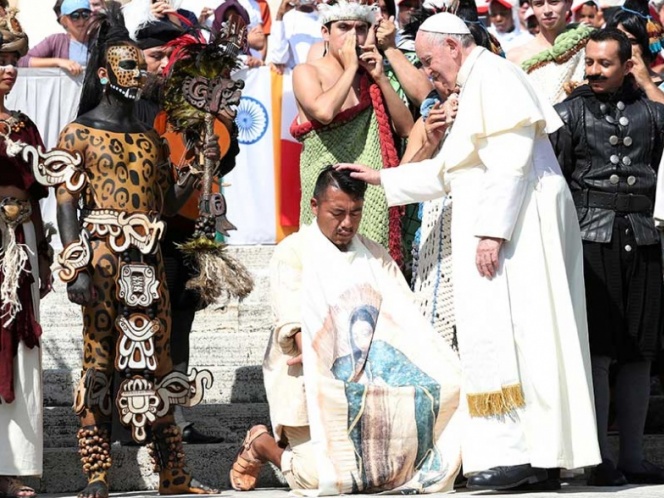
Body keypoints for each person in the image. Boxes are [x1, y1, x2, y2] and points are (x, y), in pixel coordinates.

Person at [340, 12, 601, 490]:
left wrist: (492, 233)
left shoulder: (495, 77)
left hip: (520, 229)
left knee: (524, 335)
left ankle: (526, 455)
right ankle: (531, 455)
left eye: (428, 61)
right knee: (512, 336)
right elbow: (450, 173)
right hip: (508, 225)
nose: (427, 72)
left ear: (452, 46)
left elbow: (511, 162)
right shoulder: (475, 84)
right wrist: (380, 178)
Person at [28, 5, 219, 497]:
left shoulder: (151, 139)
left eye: (139, 65)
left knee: (158, 363)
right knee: (98, 363)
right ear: (104, 73)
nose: (138, 73)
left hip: (149, 265)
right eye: (128, 65)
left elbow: (166, 203)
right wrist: (76, 267)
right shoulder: (79, 133)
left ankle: (172, 474)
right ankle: (97, 474)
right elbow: (65, 205)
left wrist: (197, 167)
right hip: (101, 260)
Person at [229, 166, 462, 494]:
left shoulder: (374, 254)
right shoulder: (293, 251)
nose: (347, 223)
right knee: (320, 477)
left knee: (433, 455)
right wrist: (315, 357)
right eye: (337, 213)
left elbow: (404, 316)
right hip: (309, 379)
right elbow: (293, 321)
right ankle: (262, 444)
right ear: (315, 206)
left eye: (356, 213)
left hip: (370, 387)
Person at [550, 28, 664, 486]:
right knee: (597, 349)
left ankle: (633, 457)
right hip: (589, 239)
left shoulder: (653, 114)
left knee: (639, 349)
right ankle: (597, 457)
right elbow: (554, 181)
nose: (593, 71)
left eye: (604, 63)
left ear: (627, 65)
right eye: (590, 62)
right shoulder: (568, 113)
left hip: (643, 238)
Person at [127, 12, 238, 445]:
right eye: (155, 56)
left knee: (181, 321)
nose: (162, 65)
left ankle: (174, 416)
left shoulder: (199, 108)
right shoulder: (133, 104)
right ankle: (133, 415)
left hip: (188, 227)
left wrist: (217, 136)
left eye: (167, 58)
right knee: (142, 322)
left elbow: (224, 159)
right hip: (142, 230)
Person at [292, 0, 413, 266]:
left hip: (369, 187)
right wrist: (349, 68)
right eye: (344, 27)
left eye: (360, 28)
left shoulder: (370, 76)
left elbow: (406, 129)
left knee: (372, 265)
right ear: (325, 32)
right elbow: (324, 112)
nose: (352, 36)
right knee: (323, 263)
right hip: (324, 181)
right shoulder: (306, 71)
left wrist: (380, 78)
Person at [0, 22, 52, 498]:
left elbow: (38, 195)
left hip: (22, 241)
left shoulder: (24, 126)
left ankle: (11, 466)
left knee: (20, 348)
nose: (9, 69)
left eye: (13, 61)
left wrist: (47, 255)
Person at [509, 0, 592, 104]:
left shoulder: (588, 45)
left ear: (568, 3)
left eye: (554, 2)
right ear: (532, 7)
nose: (547, 10)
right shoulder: (515, 57)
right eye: (539, 4)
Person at [606, 1, 664, 104]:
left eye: (631, 41)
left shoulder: (660, 86)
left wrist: (647, 84)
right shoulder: (600, 82)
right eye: (616, 39)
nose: (622, 47)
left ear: (646, 44)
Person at [18, 0, 92, 76]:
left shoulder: (98, 41)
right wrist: (58, 62)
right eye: (75, 16)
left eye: (85, 15)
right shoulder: (56, 41)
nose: (81, 21)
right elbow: (22, 61)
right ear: (64, 21)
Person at [267, 0, 322, 73]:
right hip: (296, 75)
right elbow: (278, 58)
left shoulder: (324, 17)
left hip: (322, 74)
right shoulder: (286, 18)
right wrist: (280, 15)